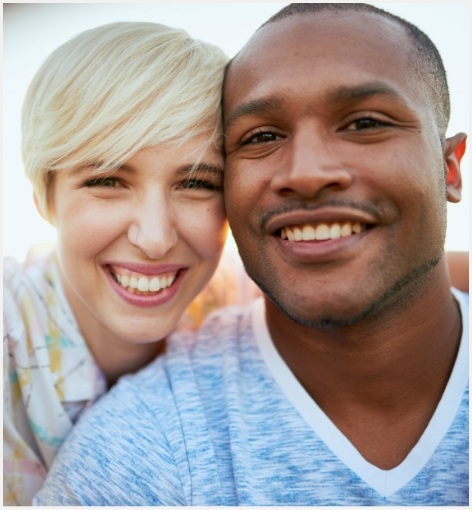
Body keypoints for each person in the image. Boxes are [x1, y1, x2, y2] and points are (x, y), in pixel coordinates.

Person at [34, 3, 468, 506]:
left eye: (364, 123)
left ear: (450, 168)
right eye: (262, 136)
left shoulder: (217, 280)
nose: (306, 173)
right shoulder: (141, 451)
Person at [2, 21, 231, 506]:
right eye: (107, 180)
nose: (154, 239)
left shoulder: (243, 307)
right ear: (46, 197)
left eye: (196, 183)